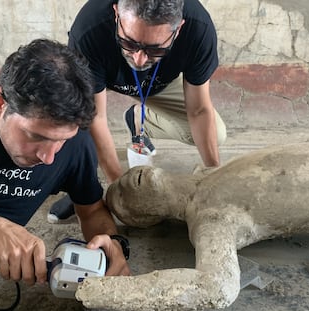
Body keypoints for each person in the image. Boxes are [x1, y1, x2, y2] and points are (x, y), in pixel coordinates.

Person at [76, 142, 309, 310]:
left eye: (119, 183)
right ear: (147, 216)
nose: (123, 183)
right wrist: (104, 292)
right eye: (124, 198)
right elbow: (217, 287)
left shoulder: (207, 173)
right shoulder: (210, 218)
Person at [0, 39, 130, 293]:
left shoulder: (76, 147)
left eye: (61, 140)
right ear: (1, 101)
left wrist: (112, 243)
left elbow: (91, 211)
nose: (48, 157)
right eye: (37, 136)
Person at [48, 0, 227, 222]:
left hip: (159, 83)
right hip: (103, 77)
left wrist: (215, 179)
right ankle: (83, 190)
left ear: (179, 28)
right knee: (71, 122)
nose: (139, 58)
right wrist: (120, 192)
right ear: (116, 15)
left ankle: (140, 120)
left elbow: (199, 110)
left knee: (216, 134)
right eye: (129, 43)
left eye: (155, 48)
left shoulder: (199, 29)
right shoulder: (89, 30)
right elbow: (96, 117)